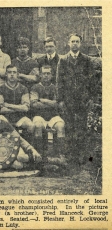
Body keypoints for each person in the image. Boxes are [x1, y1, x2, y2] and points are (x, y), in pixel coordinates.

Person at [56, 33, 96, 163]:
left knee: (81, 127)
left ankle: (81, 156)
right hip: (68, 100)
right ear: (68, 43)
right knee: (69, 126)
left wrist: (90, 98)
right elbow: (59, 81)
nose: (74, 44)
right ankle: (70, 156)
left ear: (80, 44)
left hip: (82, 100)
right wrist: (60, 100)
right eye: (72, 41)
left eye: (77, 41)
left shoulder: (87, 60)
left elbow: (92, 81)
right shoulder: (63, 60)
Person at [0, 101, 42, 169]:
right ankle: (32, 166)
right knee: (17, 165)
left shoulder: (4, 123)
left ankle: (36, 159)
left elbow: (18, 137)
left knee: (21, 157)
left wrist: (32, 149)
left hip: (5, 150)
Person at [31, 65, 66, 166]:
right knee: (37, 125)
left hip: (53, 116)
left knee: (60, 126)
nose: (46, 75)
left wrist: (43, 100)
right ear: (40, 75)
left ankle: (61, 155)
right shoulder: (35, 87)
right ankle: (39, 156)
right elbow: (34, 104)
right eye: (44, 73)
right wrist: (50, 103)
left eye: (48, 73)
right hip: (39, 116)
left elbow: (57, 104)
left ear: (51, 75)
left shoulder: (55, 88)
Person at [0, 64, 35, 144]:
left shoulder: (23, 88)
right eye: (9, 72)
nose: (12, 74)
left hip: (20, 118)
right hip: (5, 118)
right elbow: (0, 109)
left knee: (30, 125)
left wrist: (8, 105)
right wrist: (18, 107)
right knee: (0, 120)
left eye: (14, 72)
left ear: (17, 74)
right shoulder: (0, 89)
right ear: (6, 74)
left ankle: (28, 149)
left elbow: (26, 108)